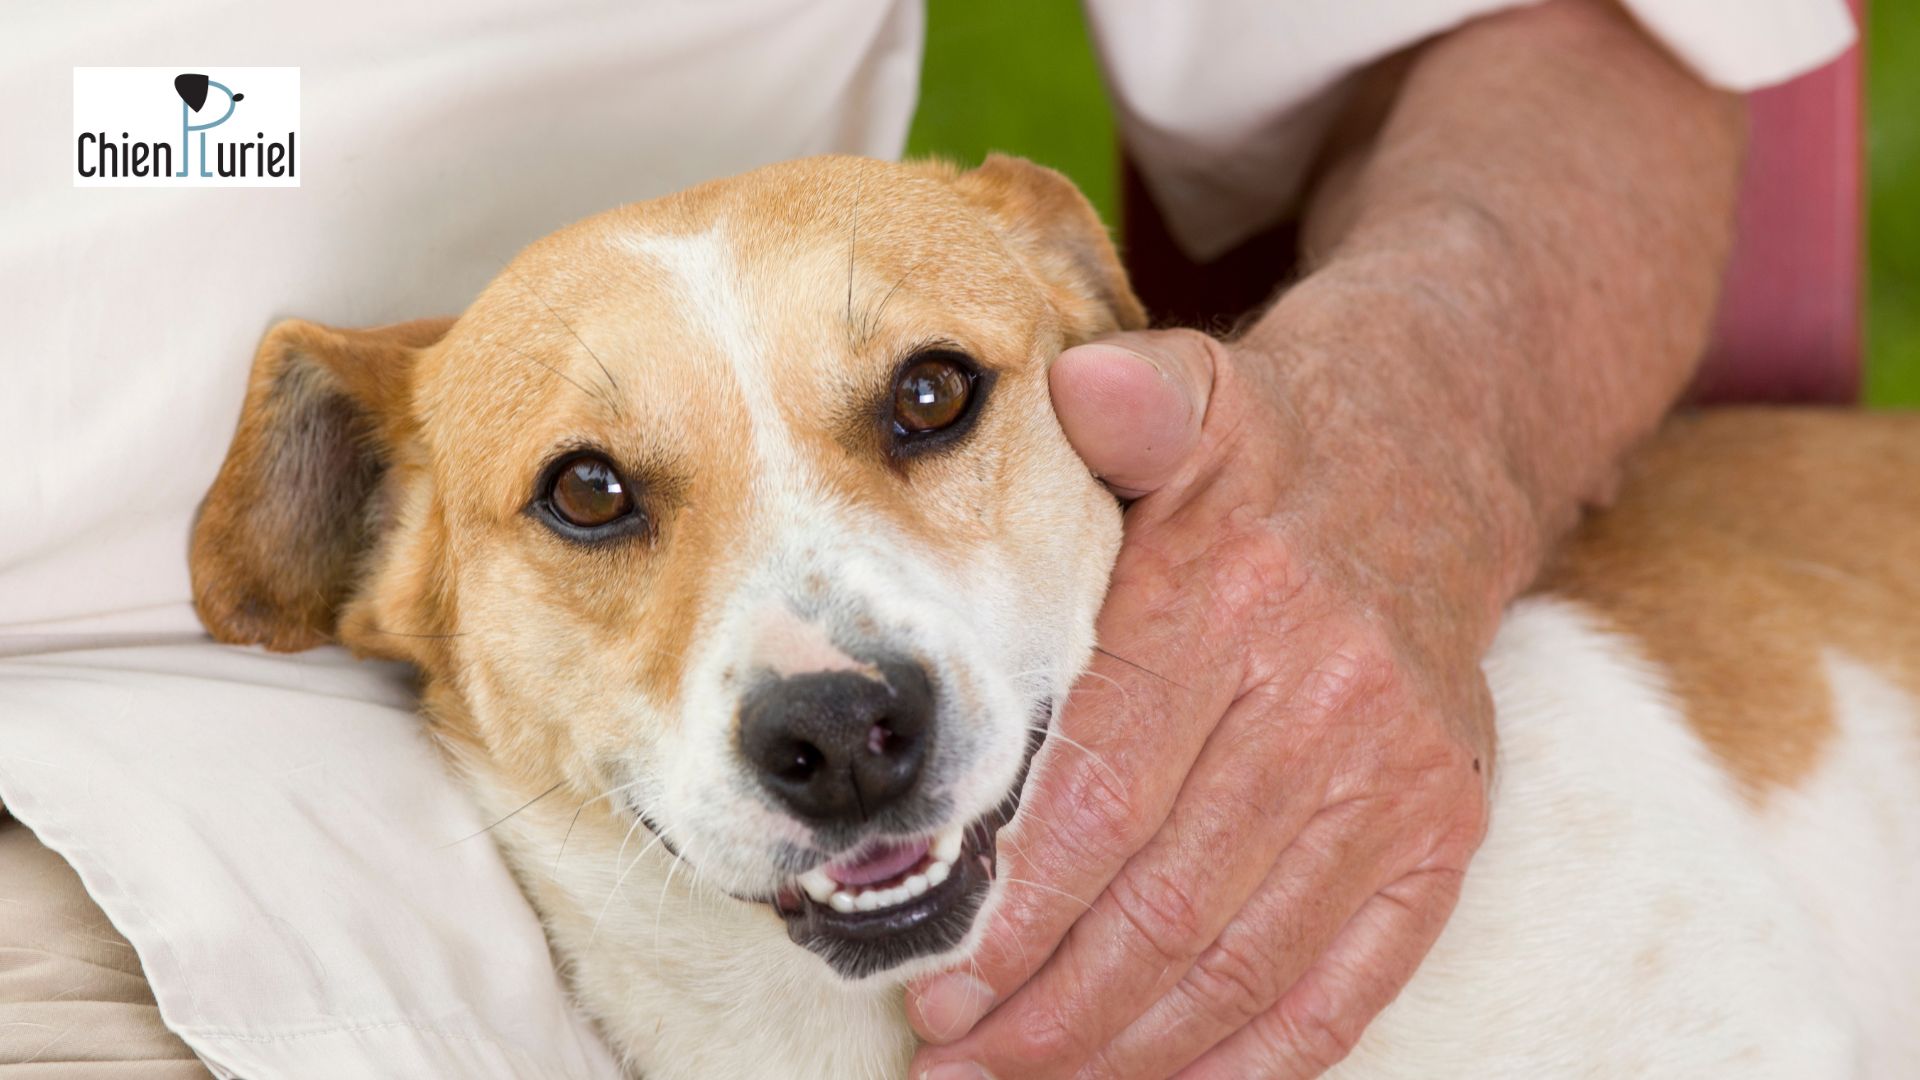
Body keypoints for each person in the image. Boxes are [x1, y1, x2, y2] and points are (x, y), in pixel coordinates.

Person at [0, 1, 1854, 1076]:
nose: (828, 693)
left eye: (924, 405)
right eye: (598, 498)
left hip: (188, 812)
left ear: (1093, 343)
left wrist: (1396, 459)